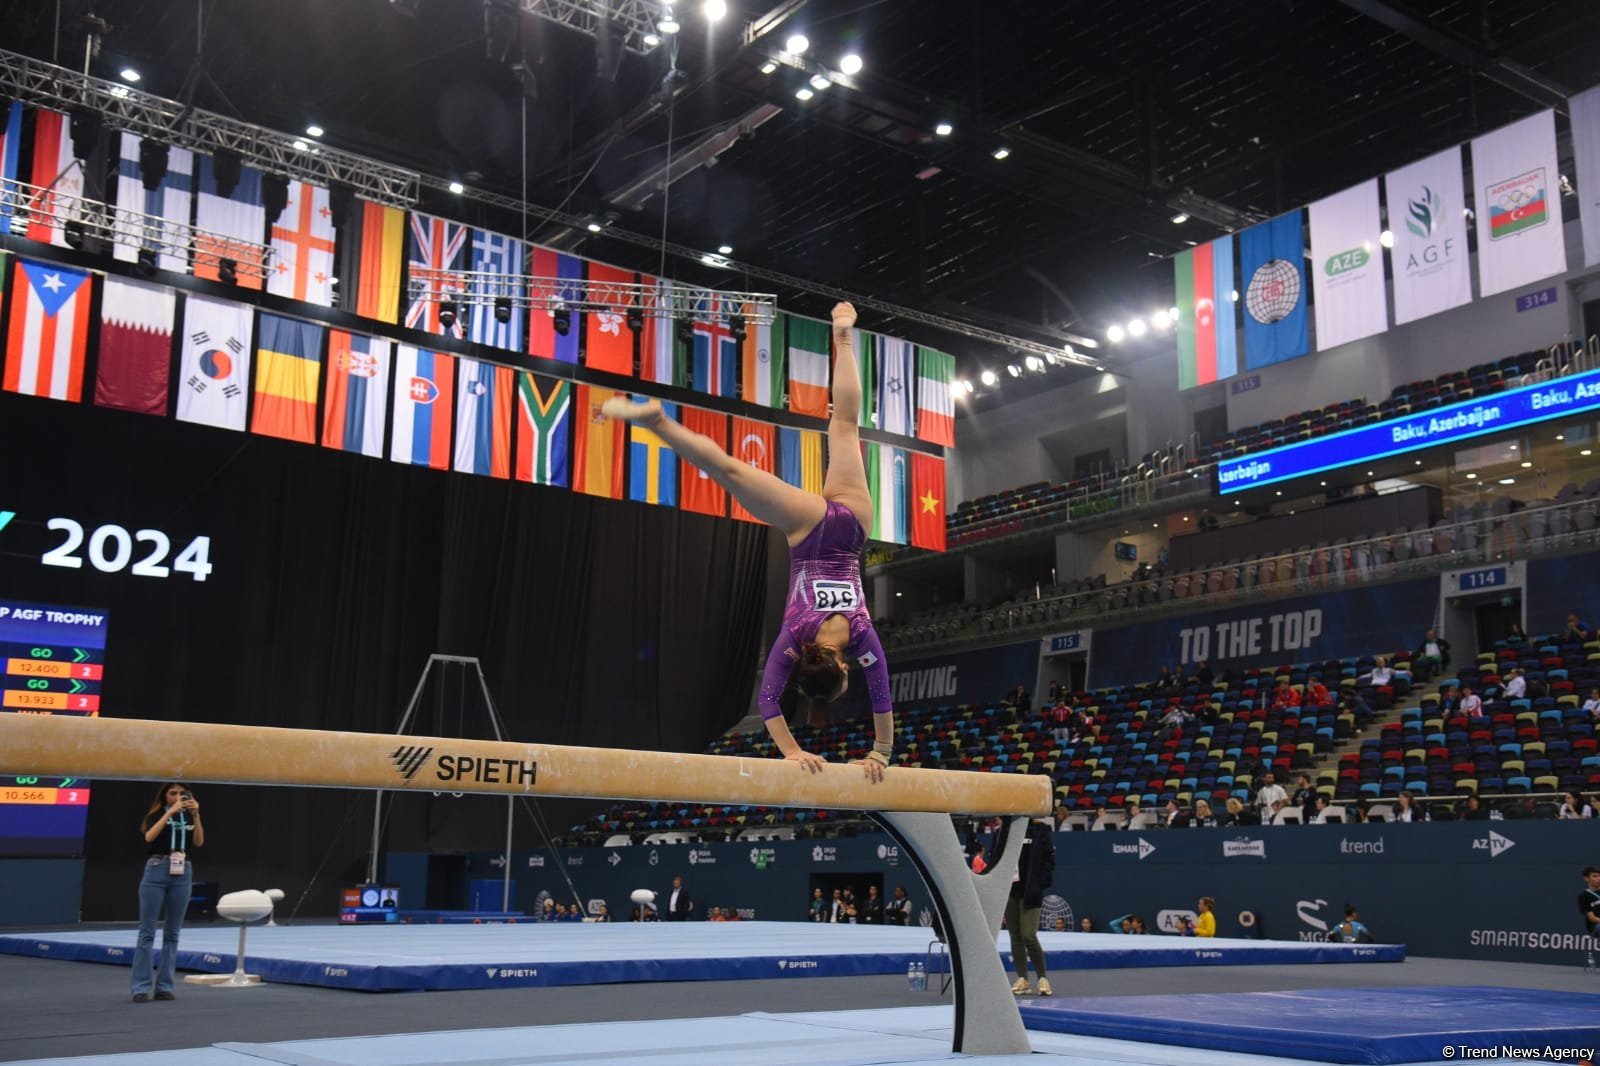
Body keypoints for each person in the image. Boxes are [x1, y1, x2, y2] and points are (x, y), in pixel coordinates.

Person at [604, 302, 894, 779]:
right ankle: (660, 423)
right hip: (808, 531)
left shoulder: (861, 638)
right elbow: (768, 700)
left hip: (852, 529)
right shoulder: (793, 640)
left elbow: (882, 694)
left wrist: (882, 752)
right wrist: (790, 751)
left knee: (844, 425)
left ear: (844, 671)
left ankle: (843, 337)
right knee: (730, 471)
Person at [131, 783, 204, 1003]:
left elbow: (199, 841)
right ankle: (141, 987)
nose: (178, 797)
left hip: (183, 870)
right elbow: (149, 837)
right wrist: (170, 813)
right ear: (164, 796)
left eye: (182, 793)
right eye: (173, 793)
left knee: (172, 933)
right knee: (147, 932)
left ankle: (164, 986)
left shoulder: (189, 816)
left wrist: (197, 815)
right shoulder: (157, 814)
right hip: (157, 869)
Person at [997, 817, 1055, 996]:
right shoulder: (1004, 830)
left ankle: (1042, 978)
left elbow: (1049, 862)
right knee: (1015, 936)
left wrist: (1039, 884)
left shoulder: (1039, 830)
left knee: (1028, 935)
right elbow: (997, 857)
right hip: (1010, 888)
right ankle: (1023, 978)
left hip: (1030, 890)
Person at [1580, 866, 1600, 945]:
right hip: (1595, 926)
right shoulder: (1584, 896)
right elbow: (1591, 917)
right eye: (1595, 876)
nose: (1598, 878)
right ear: (1586, 878)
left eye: (1599, 876)